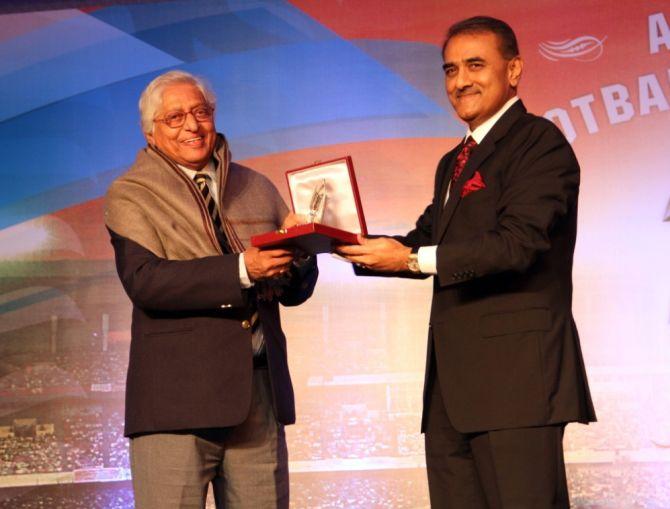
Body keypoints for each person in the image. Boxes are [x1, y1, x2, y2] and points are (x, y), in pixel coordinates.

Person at [337, 16, 596, 509]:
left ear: (514, 69)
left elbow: (518, 244)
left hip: (516, 384)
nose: (459, 81)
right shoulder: (453, 160)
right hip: (453, 395)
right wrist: (330, 236)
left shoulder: (539, 143)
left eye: (475, 65)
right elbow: (420, 241)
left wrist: (412, 259)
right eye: (450, 69)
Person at [105, 70, 318, 509]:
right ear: (150, 131)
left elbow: (295, 292)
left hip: (259, 397)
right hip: (175, 403)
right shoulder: (130, 193)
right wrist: (243, 268)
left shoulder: (257, 186)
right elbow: (148, 283)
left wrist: (300, 252)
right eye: (175, 117)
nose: (192, 125)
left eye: (201, 112)